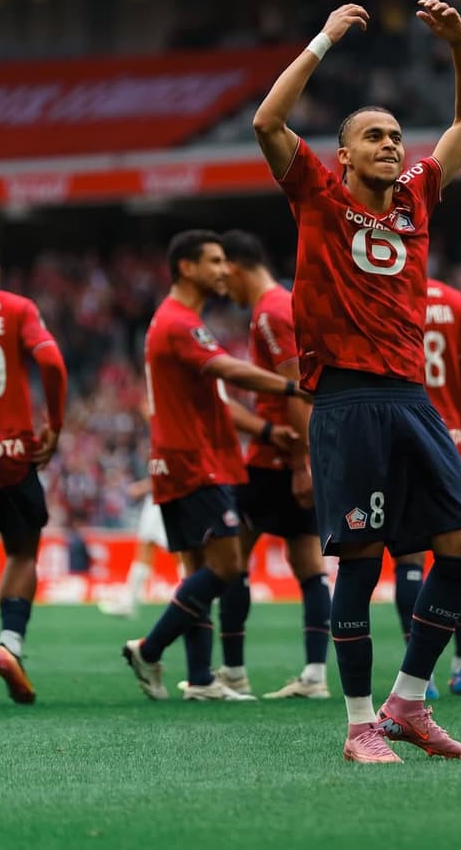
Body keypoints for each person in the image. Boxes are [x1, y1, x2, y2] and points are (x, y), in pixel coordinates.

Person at [253, 0, 461, 763]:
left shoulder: (419, 194)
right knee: (358, 562)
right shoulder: (317, 197)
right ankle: (359, 724)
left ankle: (408, 702)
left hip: (412, 398)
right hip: (348, 400)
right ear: (344, 155)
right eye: (373, 136)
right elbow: (266, 121)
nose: (391, 145)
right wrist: (323, 37)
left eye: (394, 135)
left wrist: (459, 44)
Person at [122, 229, 309, 702]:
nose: (225, 270)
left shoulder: (176, 321)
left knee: (199, 569)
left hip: (183, 458)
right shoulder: (180, 322)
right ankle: (149, 648)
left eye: (226, 261)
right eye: (214, 261)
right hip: (194, 461)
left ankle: (202, 680)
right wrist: (290, 388)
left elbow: (220, 395)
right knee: (226, 564)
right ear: (187, 267)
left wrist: (266, 431)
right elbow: (227, 369)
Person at [217, 228, 330, 700]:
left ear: (238, 269)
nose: (225, 289)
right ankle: (315, 675)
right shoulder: (283, 305)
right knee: (306, 559)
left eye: (226, 279)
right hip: (292, 453)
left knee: (229, 559)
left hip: (273, 459)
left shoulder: (270, 313)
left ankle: (233, 671)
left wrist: (302, 463)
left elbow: (297, 388)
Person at [0, 237, 67, 705]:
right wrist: (54, 423)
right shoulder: (15, 307)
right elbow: (50, 359)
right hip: (13, 455)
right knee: (22, 554)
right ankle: (9, 645)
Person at [394, 278, 461, 698]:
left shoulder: (386, 290)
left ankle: (420, 672)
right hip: (452, 435)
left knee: (409, 555)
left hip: (404, 428)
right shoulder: (455, 301)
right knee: (459, 548)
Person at [98, 480, 169, 618]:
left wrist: (144, 486)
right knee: (147, 546)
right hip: (160, 496)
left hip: (166, 496)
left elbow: (170, 466)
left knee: (179, 551)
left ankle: (193, 598)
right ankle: (129, 601)